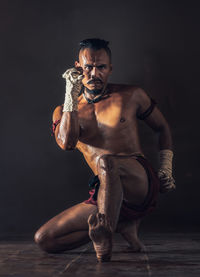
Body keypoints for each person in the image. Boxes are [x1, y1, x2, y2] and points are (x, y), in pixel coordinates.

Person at [34, 38, 175, 262]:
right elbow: (67, 143)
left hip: (138, 181)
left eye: (101, 67)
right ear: (78, 68)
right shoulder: (63, 111)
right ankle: (119, 223)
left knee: (106, 161)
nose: (94, 73)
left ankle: (104, 239)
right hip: (107, 194)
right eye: (88, 67)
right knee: (45, 239)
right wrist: (71, 95)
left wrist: (166, 166)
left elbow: (162, 128)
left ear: (110, 69)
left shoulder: (131, 95)